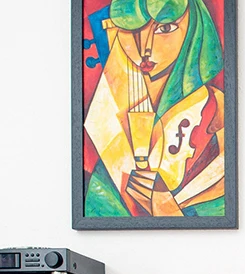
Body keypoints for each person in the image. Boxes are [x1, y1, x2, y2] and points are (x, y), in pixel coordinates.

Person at [84, 0, 226, 218]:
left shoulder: (217, 115)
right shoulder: (109, 127)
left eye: (165, 28)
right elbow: (98, 211)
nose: (145, 48)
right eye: (132, 30)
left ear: (194, 29)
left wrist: (165, 207)